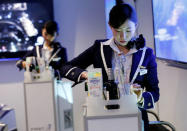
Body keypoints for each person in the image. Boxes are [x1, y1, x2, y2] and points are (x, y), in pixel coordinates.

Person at [60, 0, 159, 130]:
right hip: (104, 116)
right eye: (117, 31)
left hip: (136, 117)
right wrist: (85, 75)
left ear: (136, 25)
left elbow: (154, 92)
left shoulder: (146, 54)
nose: (123, 36)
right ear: (110, 26)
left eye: (128, 30)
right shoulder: (99, 48)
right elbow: (65, 67)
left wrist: (140, 97)